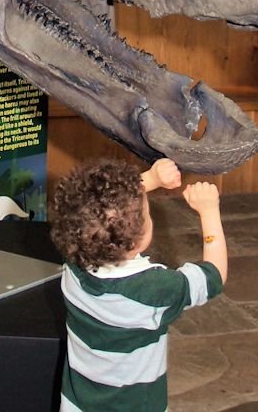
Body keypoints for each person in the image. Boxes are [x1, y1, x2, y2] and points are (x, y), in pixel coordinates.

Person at [50, 157, 227, 411]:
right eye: (145, 212)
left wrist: (152, 178)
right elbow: (214, 275)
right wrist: (209, 211)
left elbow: (98, 211)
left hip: (77, 404)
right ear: (137, 240)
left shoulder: (74, 266)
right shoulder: (152, 290)